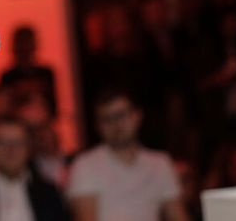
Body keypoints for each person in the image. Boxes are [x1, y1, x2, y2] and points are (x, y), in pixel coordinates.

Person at [66, 89, 188, 221]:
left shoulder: (160, 163)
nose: (116, 124)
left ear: (137, 116)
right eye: (107, 119)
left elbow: (177, 214)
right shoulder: (86, 164)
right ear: (98, 126)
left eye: (121, 115)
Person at [0, 117, 68, 221]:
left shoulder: (47, 193)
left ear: (29, 148)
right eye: (2, 143)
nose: (11, 149)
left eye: (18, 143)